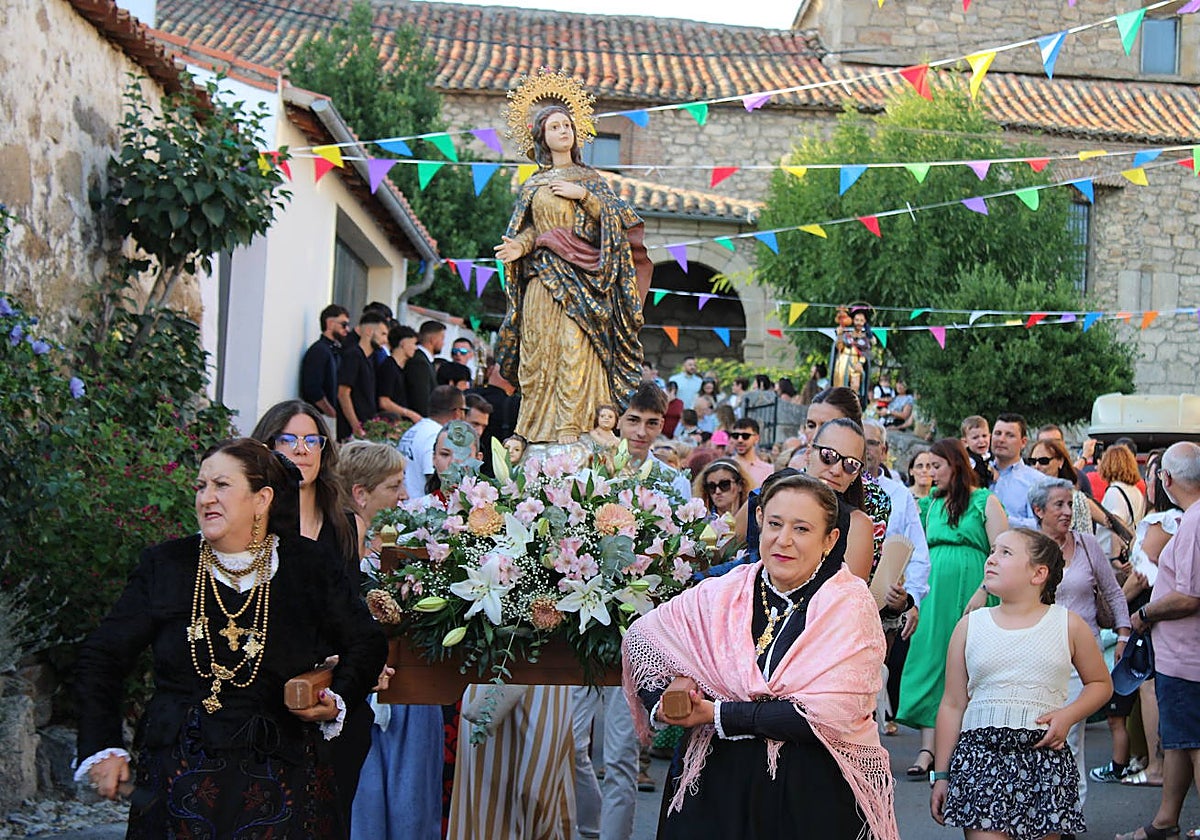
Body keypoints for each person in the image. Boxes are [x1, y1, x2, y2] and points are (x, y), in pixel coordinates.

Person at [75, 439, 387, 838]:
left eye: (221, 485)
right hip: (179, 769)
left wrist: (336, 699)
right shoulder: (166, 566)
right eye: (201, 486)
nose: (206, 498)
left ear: (262, 499)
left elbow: (366, 642)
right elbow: (102, 656)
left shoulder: (308, 566)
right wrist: (104, 745)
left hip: (281, 770)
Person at [623, 473, 899, 840]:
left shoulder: (849, 606)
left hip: (809, 799)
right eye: (775, 524)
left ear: (829, 540)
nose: (783, 540)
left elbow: (827, 714)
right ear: (759, 522)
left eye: (801, 529)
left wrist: (718, 713)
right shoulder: (719, 594)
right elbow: (645, 641)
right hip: (713, 792)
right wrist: (666, 702)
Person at [495, 72, 651, 445]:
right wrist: (521, 246)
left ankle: (576, 428)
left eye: (567, 125)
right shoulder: (533, 184)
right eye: (554, 127)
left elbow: (617, 224)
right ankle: (533, 432)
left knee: (574, 349)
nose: (563, 131)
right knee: (538, 351)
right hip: (541, 282)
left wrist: (583, 196)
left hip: (584, 282)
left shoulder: (590, 179)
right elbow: (533, 229)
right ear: (542, 137)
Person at [931, 529, 1111, 840]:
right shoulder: (970, 625)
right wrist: (942, 774)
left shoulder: (1067, 624)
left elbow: (1100, 683)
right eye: (992, 551)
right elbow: (952, 704)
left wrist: (1068, 715)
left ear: (1039, 573)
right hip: (980, 759)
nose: (991, 559)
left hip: (1042, 757)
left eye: (1006, 553)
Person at [251, 402, 375, 825]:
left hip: (330, 695)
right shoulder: (249, 521)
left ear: (324, 450)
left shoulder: (346, 524)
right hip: (262, 693)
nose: (300, 450)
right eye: (287, 439)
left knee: (328, 819)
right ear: (266, 446)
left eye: (311, 440)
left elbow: (352, 612)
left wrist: (355, 664)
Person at [337, 442, 442, 840]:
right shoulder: (334, 552)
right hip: (359, 693)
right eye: (394, 486)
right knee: (361, 802)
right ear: (360, 494)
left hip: (413, 694)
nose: (404, 495)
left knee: (414, 807)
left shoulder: (413, 542)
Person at [1013, 478, 1129, 807]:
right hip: (1035, 655)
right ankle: (1040, 806)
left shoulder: (1088, 545)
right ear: (1038, 511)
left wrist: (1123, 632)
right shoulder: (1028, 547)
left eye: (1069, 505)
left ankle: (1071, 812)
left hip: (1081, 656)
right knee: (1037, 735)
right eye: (1058, 505)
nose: (1067, 512)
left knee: (1070, 737)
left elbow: (1112, 593)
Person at [896, 438, 1008, 777]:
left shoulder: (983, 501)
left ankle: (965, 747)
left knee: (968, 667)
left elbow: (1002, 550)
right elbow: (913, 549)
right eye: (926, 466)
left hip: (972, 592)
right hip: (934, 595)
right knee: (930, 663)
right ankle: (927, 750)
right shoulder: (930, 505)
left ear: (955, 466)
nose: (929, 473)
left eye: (936, 466)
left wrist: (983, 590)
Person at [1118, 442, 1200, 840]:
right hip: (1180, 655)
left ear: (1166, 480)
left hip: (1187, 656)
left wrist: (1144, 614)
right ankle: (1165, 821)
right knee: (1182, 742)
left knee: (1194, 742)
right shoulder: (1190, 519)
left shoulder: (1195, 521)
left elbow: (1189, 596)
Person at [397, 385, 466, 501]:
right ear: (458, 412)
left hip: (405, 505)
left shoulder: (415, 429)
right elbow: (434, 480)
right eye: (465, 411)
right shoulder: (436, 436)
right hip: (420, 510)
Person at [1026, 436, 1100, 534]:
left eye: (1044, 461)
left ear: (1060, 462)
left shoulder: (1077, 498)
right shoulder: (1025, 492)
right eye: (1032, 461)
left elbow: (1084, 539)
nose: (1037, 466)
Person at [337, 311, 388, 440]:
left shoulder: (371, 359)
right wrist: (356, 426)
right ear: (369, 331)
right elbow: (343, 393)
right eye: (382, 334)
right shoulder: (353, 356)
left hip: (367, 429)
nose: (385, 340)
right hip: (352, 433)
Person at [989, 412, 1043, 529]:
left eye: (1010, 435)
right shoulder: (974, 473)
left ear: (1023, 442)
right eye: (997, 433)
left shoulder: (1036, 481)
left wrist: (1000, 520)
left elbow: (1040, 525)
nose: (1001, 439)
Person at [1096, 443, 1147, 562]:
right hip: (1129, 554)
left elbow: (1116, 523)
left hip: (1112, 556)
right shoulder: (1136, 491)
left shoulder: (1114, 491)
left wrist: (1114, 558)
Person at [300, 303, 349, 420]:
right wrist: (331, 412)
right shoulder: (319, 351)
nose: (347, 329)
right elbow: (312, 389)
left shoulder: (334, 350)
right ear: (330, 323)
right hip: (319, 416)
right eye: (344, 324)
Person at [376, 324, 422, 425]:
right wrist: (409, 413)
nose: (415, 348)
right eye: (414, 343)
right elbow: (384, 402)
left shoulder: (402, 369)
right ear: (403, 343)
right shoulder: (389, 367)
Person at [830, 306, 872, 407]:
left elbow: (866, 353)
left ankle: (854, 405)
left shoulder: (865, 338)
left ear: (865, 322)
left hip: (856, 364)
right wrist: (840, 335)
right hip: (843, 363)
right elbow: (839, 347)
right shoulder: (846, 334)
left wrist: (860, 363)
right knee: (840, 386)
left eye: (861, 320)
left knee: (855, 385)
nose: (859, 322)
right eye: (857, 319)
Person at [405, 320, 445, 419]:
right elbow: (421, 399)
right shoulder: (419, 362)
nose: (443, 343)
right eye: (442, 338)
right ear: (433, 339)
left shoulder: (425, 361)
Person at [730, 417, 773, 491]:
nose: (740, 440)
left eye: (745, 436)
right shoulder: (725, 465)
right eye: (735, 436)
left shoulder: (768, 470)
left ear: (756, 438)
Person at [960, 415, 993, 492]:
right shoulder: (969, 460)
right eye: (975, 438)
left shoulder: (992, 455)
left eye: (984, 436)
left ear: (990, 436)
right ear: (965, 442)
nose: (981, 441)